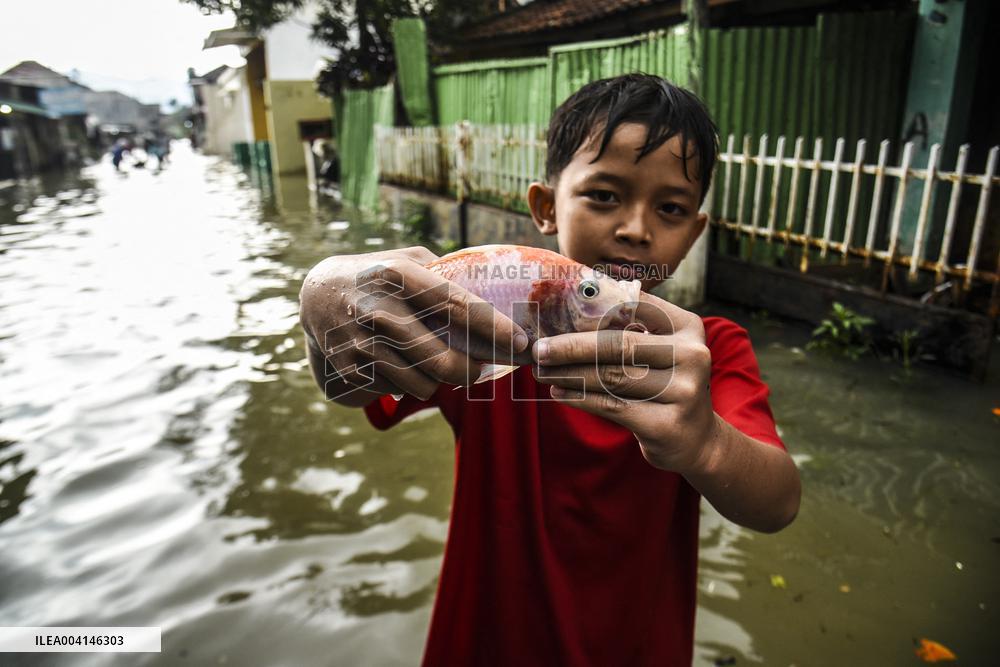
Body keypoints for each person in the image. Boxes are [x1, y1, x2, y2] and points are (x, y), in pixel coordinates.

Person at [298, 74, 801, 665]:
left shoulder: (709, 352)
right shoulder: (488, 323)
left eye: (670, 209)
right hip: (490, 644)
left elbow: (777, 502)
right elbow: (353, 389)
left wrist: (707, 442)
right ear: (545, 207)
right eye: (604, 196)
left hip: (635, 646)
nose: (636, 229)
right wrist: (324, 316)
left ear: (693, 234)